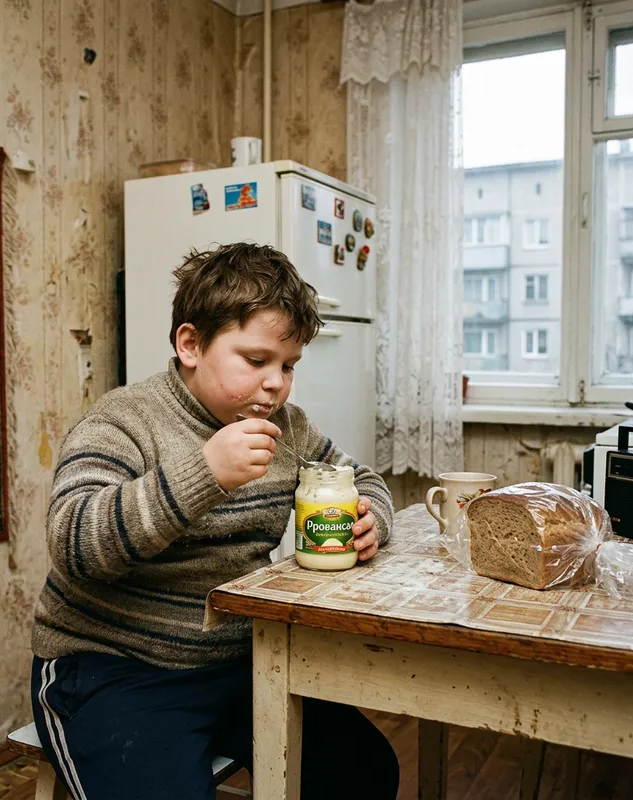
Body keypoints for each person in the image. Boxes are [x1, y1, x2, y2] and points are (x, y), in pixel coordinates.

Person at [30, 242, 400, 799]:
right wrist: (205, 471)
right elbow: (76, 541)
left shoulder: (290, 430)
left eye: (288, 365)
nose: (276, 383)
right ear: (190, 345)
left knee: (365, 771)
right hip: (114, 667)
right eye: (256, 361)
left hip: (241, 659)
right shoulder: (125, 419)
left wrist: (375, 521)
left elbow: (364, 479)